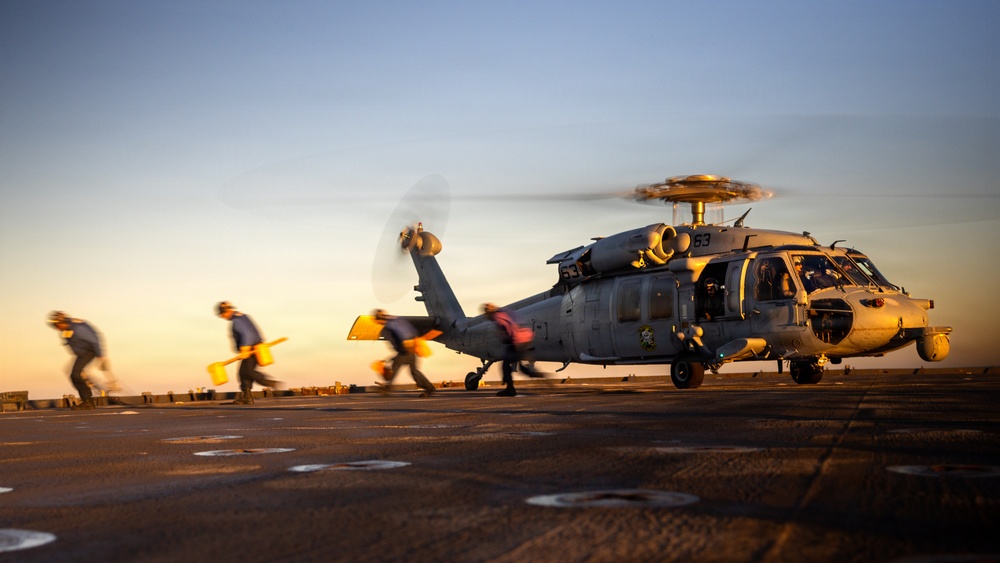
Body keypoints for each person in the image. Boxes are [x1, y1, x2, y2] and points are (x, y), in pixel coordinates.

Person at [216, 301, 282, 405]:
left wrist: (245, 347)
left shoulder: (237, 320)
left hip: (251, 349)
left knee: (248, 372)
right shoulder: (243, 316)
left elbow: (248, 333)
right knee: (243, 372)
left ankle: (270, 383)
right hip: (257, 347)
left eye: (222, 314)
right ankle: (247, 397)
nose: (222, 317)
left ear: (226, 311)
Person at [47, 311, 107, 410]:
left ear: (62, 322)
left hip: (89, 351)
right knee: (75, 374)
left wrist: (101, 356)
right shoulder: (66, 330)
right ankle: (87, 400)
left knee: (75, 374)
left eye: (57, 325)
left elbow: (94, 340)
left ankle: (88, 402)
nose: (56, 328)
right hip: (82, 354)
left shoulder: (78, 328)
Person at [482, 303, 543, 397]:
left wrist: (506, 339)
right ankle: (537, 375)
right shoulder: (504, 312)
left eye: (486, 314)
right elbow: (517, 321)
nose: (485, 317)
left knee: (505, 364)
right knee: (518, 364)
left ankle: (510, 389)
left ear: (489, 313)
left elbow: (508, 329)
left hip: (517, 341)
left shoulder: (498, 318)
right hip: (525, 338)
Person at [371, 309, 436, 397]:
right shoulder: (397, 320)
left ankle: (386, 388)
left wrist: (406, 343)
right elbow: (412, 331)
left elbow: (404, 334)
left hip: (405, 350)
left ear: (378, 319)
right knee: (414, 371)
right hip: (411, 349)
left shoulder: (389, 326)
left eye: (376, 320)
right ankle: (429, 388)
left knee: (395, 367)